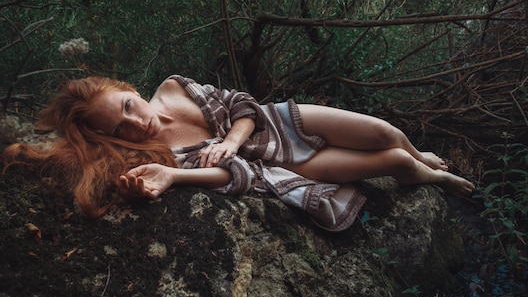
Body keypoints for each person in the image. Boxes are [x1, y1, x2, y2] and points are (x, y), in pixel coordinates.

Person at [2, 75, 475, 231]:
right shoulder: (150, 151)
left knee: (387, 134)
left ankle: (422, 151)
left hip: (279, 121)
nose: (135, 121)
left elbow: (241, 106)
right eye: (120, 127)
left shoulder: (172, 88)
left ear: (128, 88)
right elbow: (228, 177)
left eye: (128, 105)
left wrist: (229, 140)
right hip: (282, 163)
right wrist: (172, 178)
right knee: (394, 165)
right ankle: (431, 176)